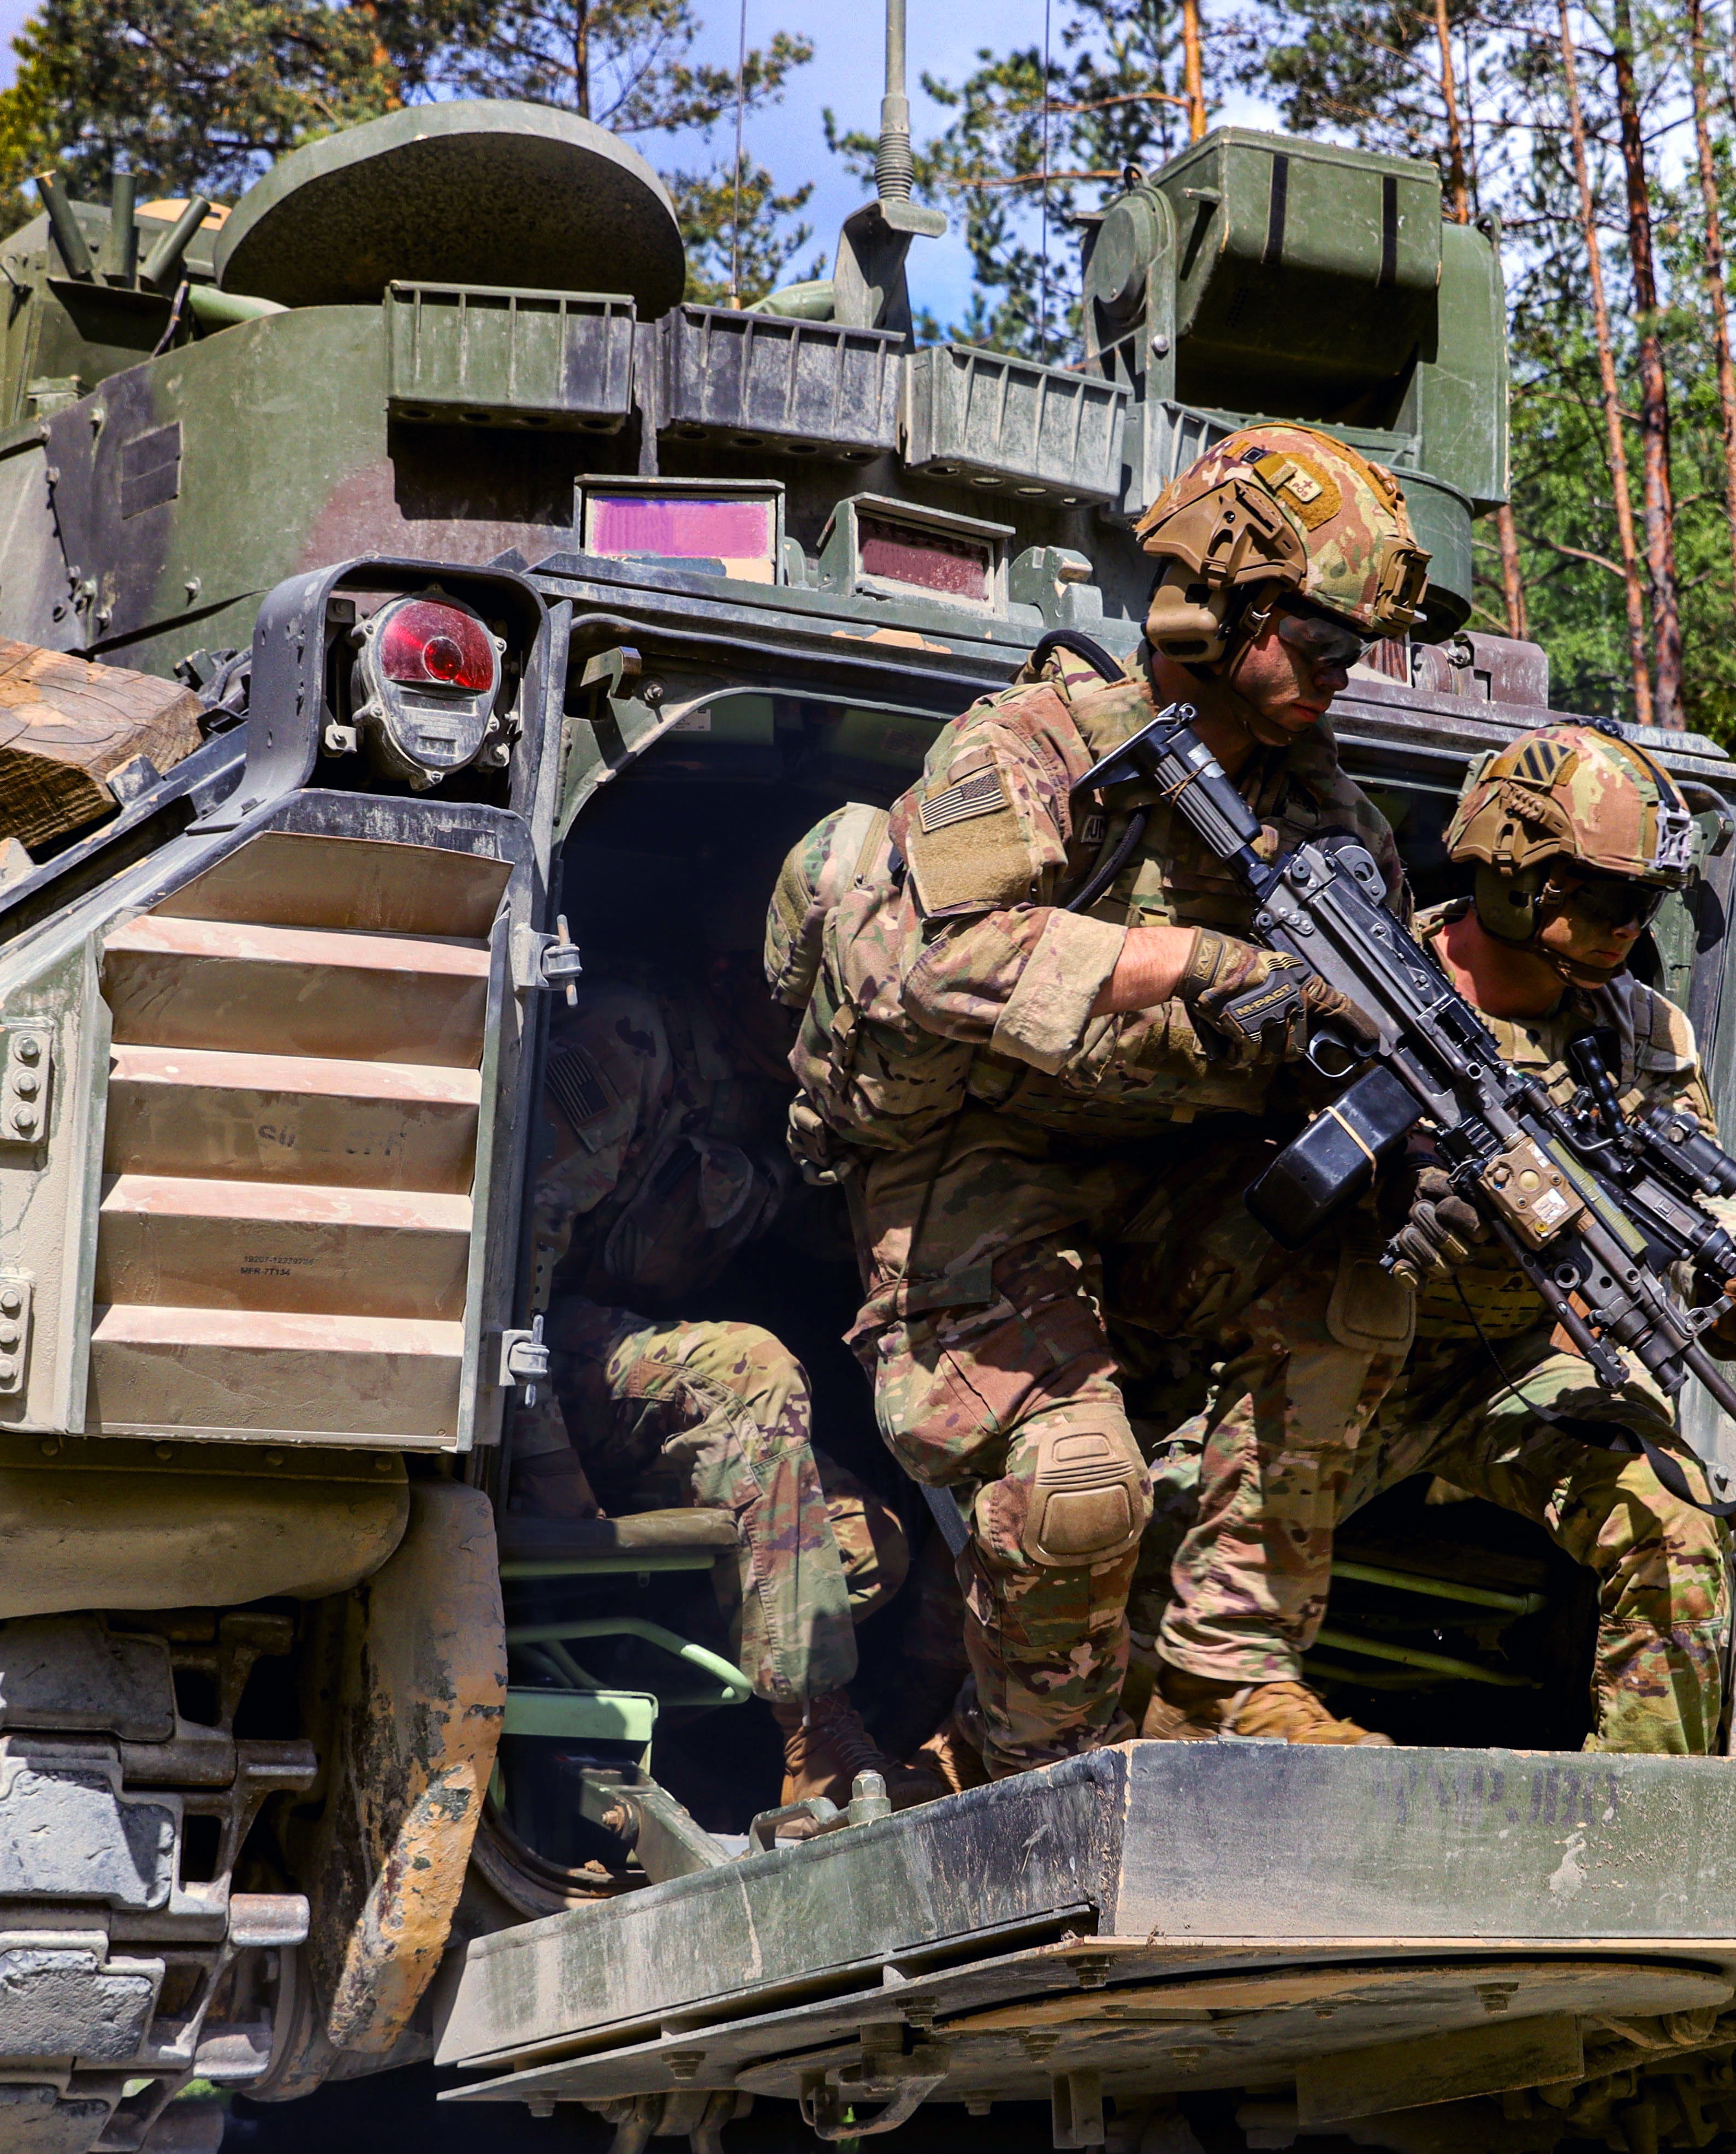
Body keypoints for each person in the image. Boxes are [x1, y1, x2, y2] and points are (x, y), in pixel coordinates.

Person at [781, 423, 1462, 1789]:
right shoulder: (1036, 745)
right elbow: (939, 961)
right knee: (1081, 1491)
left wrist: (1422, 1141)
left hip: (1162, 1187)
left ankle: (1227, 1677)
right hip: (974, 1169)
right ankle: (1022, 1778)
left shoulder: (1337, 825)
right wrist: (1212, 967)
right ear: (1227, 608)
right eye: (1323, 639)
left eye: (1358, 650)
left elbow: (1371, 1040)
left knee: (1357, 1291)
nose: (1343, 673)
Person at [1125, 721, 1736, 1757]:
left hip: (1516, 1371)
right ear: (1518, 877)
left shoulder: (1647, 1033)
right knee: (1125, 1539)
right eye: (1606, 894)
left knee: (1675, 1526)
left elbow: (1696, 1188)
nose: (1629, 926)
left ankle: (1636, 1843)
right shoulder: (1361, 979)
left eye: (1646, 903)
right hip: (1334, 1357)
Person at [508, 969, 902, 1807]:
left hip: (641, 1408)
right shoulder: (633, 1044)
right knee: (751, 1367)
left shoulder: (803, 1100)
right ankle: (815, 1731)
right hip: (533, 1380)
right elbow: (505, 1277)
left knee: (867, 1548)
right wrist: (549, 1475)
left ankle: (619, 1711)